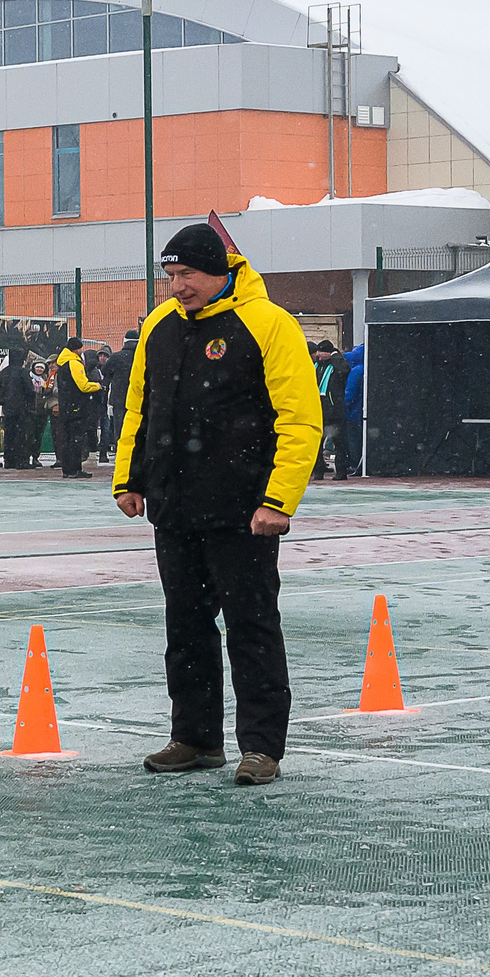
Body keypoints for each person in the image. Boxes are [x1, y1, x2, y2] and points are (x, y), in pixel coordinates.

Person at [111, 222, 320, 789]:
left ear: (220, 270)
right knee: (186, 626)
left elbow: (299, 418)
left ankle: (261, 748)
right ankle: (196, 740)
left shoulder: (268, 323)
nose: (177, 286)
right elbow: (139, 408)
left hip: (244, 512)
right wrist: (128, 479)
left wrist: (278, 499)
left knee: (251, 627)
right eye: (170, 275)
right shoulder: (158, 327)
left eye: (187, 275)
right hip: (175, 509)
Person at [54, 337, 102, 479]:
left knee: (67, 438)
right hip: (77, 406)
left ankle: (67, 469)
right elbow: (83, 385)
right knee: (76, 439)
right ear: (77, 349)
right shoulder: (74, 363)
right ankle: (75, 469)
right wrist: (97, 386)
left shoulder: (62, 364)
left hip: (66, 406)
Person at [311, 340, 344, 479]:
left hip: (333, 408)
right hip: (319, 407)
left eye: (321, 352)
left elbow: (345, 370)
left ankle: (341, 471)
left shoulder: (336, 364)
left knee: (339, 442)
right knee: (317, 441)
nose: (318, 355)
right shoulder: (317, 366)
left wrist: (335, 355)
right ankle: (319, 471)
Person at [0, 350, 39, 470]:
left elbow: (0, 389)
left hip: (8, 407)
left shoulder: (4, 372)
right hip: (22, 408)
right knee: (21, 434)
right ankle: (21, 460)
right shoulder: (23, 372)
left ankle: (9, 460)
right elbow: (29, 390)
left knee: (9, 434)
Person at [104, 329, 137, 460]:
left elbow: (105, 371)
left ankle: (122, 456)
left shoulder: (116, 357)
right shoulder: (144, 355)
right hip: (139, 397)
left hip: (119, 397)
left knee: (120, 426)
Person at [340, 341, 365, 477]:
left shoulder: (355, 371)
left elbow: (349, 393)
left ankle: (355, 464)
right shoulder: (366, 368)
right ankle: (361, 463)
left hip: (353, 413)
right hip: (362, 411)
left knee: (353, 440)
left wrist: (344, 407)